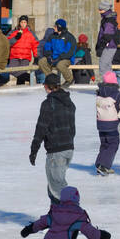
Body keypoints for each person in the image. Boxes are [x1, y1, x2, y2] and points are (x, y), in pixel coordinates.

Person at [29, 72, 76, 200]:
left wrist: (34, 151)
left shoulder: (48, 104)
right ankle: (56, 215)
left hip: (56, 151)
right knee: (54, 184)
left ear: (47, 86)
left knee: (58, 187)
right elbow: (72, 127)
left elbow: (41, 129)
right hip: (68, 148)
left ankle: (71, 214)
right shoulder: (69, 102)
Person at [94, 70, 120, 175]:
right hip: (112, 123)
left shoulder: (99, 93)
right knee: (113, 144)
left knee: (104, 144)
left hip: (101, 124)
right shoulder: (117, 94)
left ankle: (100, 163)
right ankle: (104, 166)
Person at [37, 19, 76, 87]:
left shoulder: (69, 37)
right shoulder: (52, 36)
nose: (54, 27)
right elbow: (47, 47)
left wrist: (60, 58)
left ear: (60, 27)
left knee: (60, 65)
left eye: (55, 26)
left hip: (66, 58)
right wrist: (49, 56)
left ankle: (70, 79)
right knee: (42, 61)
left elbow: (70, 51)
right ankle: (51, 79)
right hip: (53, 57)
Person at [7, 15, 39, 86]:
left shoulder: (31, 34)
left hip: (25, 57)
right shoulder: (13, 32)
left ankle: (20, 93)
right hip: (14, 56)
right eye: (21, 22)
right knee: (11, 70)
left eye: (24, 22)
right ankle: (29, 77)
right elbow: (7, 43)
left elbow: (35, 45)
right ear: (19, 23)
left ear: (27, 23)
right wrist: (15, 38)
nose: (23, 24)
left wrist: (36, 56)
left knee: (21, 78)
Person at [96, 3, 119, 74]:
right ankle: (110, 82)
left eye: (101, 10)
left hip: (109, 46)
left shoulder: (109, 20)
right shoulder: (106, 19)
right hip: (108, 46)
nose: (99, 11)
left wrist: (101, 47)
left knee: (103, 66)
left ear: (105, 10)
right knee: (107, 67)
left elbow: (107, 35)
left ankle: (108, 83)